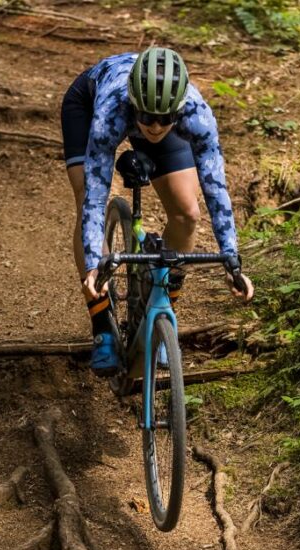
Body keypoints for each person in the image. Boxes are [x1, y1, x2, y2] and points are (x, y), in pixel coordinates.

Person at [61, 48, 254, 376]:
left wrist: (231, 260)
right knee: (86, 198)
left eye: (165, 118)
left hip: (144, 111)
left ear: (179, 110)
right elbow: (96, 199)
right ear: (134, 104)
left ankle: (162, 315)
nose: (154, 126)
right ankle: (102, 326)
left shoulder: (196, 114)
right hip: (88, 103)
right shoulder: (113, 109)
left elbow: (216, 192)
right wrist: (95, 263)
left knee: (187, 212)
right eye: (147, 116)